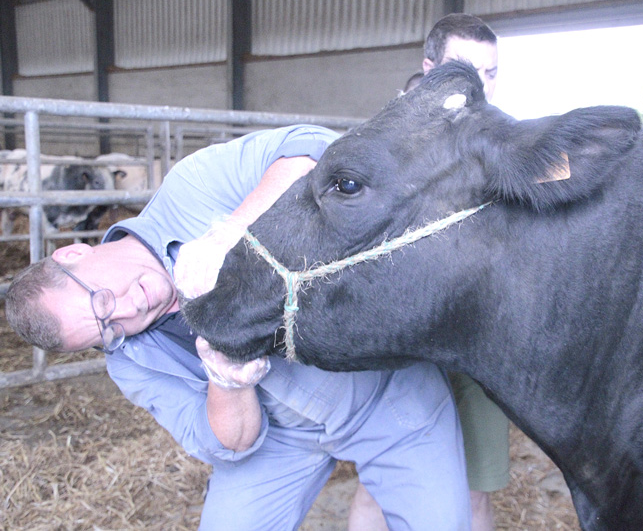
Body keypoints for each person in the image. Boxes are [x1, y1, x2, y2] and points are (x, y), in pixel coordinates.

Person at [5, 125, 471, 531]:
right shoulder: (129, 362)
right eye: (107, 331)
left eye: (101, 299)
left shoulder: (191, 188)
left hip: (379, 393)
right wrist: (225, 382)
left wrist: (231, 232)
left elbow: (310, 150)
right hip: (281, 437)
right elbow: (228, 443)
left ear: (74, 254)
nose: (127, 312)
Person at [359, 13, 508, 531]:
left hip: (476, 345)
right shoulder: (384, 149)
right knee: (381, 485)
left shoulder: (500, 147)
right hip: (406, 342)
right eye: (464, 69)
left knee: (475, 490)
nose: (479, 86)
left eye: (490, 73)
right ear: (428, 69)